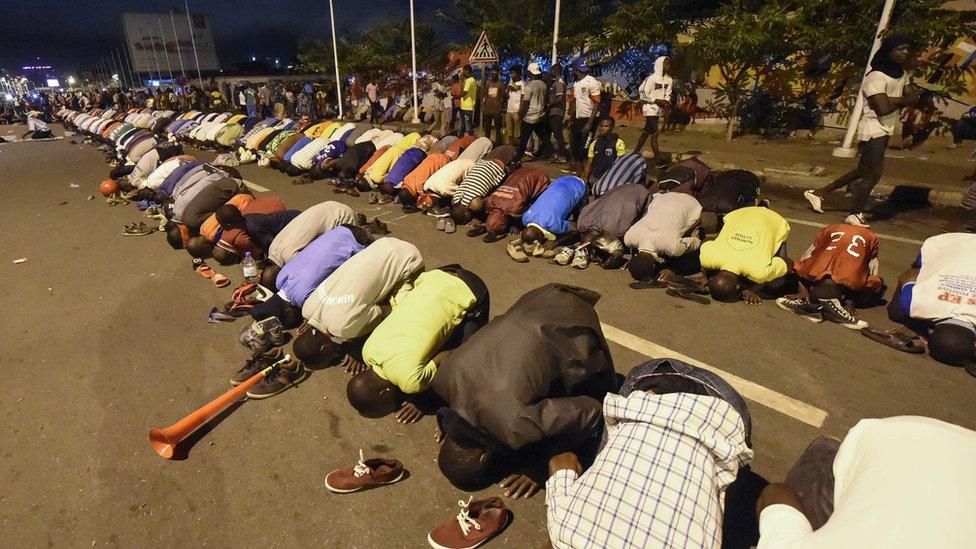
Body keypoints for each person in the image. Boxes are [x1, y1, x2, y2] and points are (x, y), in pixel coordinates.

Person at [547, 358, 753, 549]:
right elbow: (564, 460)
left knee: (723, 482)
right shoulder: (563, 529)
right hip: (651, 384)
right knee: (613, 437)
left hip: (725, 413)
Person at [433, 284, 616, 497]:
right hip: (535, 300)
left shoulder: (515, 425)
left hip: (570, 322)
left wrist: (541, 468)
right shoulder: (444, 378)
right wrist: (448, 421)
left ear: (485, 457)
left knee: (604, 395)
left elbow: (592, 410)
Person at [755, 416, 976, 549]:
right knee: (800, 516)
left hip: (915, 442)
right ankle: (831, 458)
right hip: (894, 442)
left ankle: (829, 455)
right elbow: (775, 494)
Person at [803, 35, 919, 227]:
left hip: (887, 126)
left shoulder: (900, 73)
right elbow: (882, 109)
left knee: (863, 170)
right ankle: (855, 213)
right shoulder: (875, 77)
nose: (905, 53)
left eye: (906, 49)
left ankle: (818, 193)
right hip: (873, 128)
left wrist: (891, 99)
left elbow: (913, 97)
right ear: (888, 51)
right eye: (900, 49)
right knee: (874, 173)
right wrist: (899, 100)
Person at [346, 265, 489, 420]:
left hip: (471, 288)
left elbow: (448, 356)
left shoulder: (410, 383)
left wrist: (425, 402)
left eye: (381, 409)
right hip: (440, 274)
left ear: (384, 392)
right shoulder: (367, 350)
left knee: (465, 355)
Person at [292, 237, 425, 373]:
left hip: (408, 260)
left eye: (330, 360)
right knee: (363, 302)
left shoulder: (342, 328)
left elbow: (385, 311)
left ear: (324, 348)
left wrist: (357, 348)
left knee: (399, 315)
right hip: (382, 244)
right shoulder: (308, 308)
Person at [866, 233, 976, 376]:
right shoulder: (912, 304)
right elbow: (908, 277)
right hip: (947, 244)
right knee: (897, 311)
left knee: (898, 311)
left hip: (947, 242)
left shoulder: (916, 304)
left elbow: (909, 276)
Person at [246, 224, 375, 332]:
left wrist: (312, 319)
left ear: (289, 310)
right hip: (341, 231)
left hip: (357, 243)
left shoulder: (305, 299)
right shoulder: (280, 279)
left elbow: (332, 304)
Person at [776, 224, 883, 329]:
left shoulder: (832, 227)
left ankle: (811, 303)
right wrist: (851, 302)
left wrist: (802, 292)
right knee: (874, 281)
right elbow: (871, 265)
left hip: (821, 272)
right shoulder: (871, 236)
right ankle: (826, 303)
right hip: (848, 279)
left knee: (802, 266)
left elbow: (808, 256)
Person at [700, 206, 794, 305]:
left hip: (774, 221)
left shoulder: (759, 272)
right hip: (740, 214)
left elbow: (790, 263)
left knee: (777, 282)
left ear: (738, 287)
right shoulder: (707, 258)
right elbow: (706, 241)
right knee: (767, 274)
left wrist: (754, 289)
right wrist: (705, 276)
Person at [554, 182, 652, 270]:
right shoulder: (584, 220)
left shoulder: (617, 230)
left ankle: (579, 249)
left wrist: (618, 254)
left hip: (635, 195)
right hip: (625, 190)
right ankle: (580, 248)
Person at [624, 191, 704, 283]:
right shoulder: (628, 238)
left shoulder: (673, 247)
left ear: (654, 266)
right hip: (663, 199)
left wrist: (674, 270)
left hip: (691, 204)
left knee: (688, 246)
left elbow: (698, 242)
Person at [508, 175, 587, 262]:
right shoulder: (526, 218)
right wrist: (517, 226)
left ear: (540, 235)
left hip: (579, 185)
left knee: (580, 222)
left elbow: (575, 228)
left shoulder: (554, 225)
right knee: (562, 212)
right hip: (560, 180)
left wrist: (556, 242)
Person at [475, 166, 550, 243]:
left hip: (539, 177)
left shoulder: (514, 209)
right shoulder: (491, 202)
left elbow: (527, 213)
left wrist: (517, 225)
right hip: (519, 172)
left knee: (535, 203)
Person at [633, 56, 673, 167]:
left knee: (647, 132)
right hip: (650, 108)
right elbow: (643, 95)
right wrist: (656, 100)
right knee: (654, 133)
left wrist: (666, 105)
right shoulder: (651, 78)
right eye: (666, 64)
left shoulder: (669, 79)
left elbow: (668, 94)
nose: (668, 66)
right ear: (660, 64)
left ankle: (635, 153)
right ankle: (658, 160)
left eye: (669, 63)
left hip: (659, 109)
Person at [569, 60, 602, 175]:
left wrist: (589, 123)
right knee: (575, 147)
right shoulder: (576, 84)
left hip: (590, 119)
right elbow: (575, 102)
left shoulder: (591, 82)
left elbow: (597, 103)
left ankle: (587, 173)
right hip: (578, 118)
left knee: (585, 148)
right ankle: (579, 171)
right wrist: (571, 119)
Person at [514, 63, 549, 162]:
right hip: (540, 115)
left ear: (530, 72)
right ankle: (550, 152)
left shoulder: (529, 86)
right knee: (543, 137)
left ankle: (518, 158)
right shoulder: (543, 85)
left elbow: (525, 103)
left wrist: (520, 115)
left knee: (523, 139)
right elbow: (546, 100)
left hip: (529, 117)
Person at [581, 117, 626, 186]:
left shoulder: (618, 143)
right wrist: (585, 178)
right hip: (596, 176)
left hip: (611, 177)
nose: (603, 128)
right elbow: (589, 162)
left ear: (612, 127)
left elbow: (621, 163)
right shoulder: (594, 144)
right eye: (601, 126)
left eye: (606, 126)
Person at [547, 63, 569, 163]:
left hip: (557, 112)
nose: (551, 72)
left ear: (556, 71)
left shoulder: (559, 83)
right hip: (554, 112)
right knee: (555, 133)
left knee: (557, 133)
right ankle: (555, 152)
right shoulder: (556, 82)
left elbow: (559, 98)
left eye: (552, 70)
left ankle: (562, 154)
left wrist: (549, 104)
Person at [482, 67, 504, 144]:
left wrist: (500, 107)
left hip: (496, 109)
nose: (493, 75)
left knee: (497, 128)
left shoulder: (500, 84)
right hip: (488, 109)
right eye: (492, 73)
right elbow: (485, 94)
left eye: (495, 73)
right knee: (487, 128)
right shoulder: (488, 83)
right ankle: (486, 143)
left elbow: (502, 96)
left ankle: (498, 143)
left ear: (498, 74)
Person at [504, 65, 523, 146]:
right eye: (511, 73)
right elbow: (507, 95)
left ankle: (517, 149)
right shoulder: (510, 83)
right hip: (509, 110)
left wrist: (520, 109)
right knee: (509, 132)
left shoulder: (522, 83)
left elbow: (523, 97)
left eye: (514, 73)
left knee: (517, 133)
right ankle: (510, 149)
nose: (512, 75)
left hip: (516, 111)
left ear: (518, 74)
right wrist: (507, 89)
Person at [459, 65, 478, 137]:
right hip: (463, 106)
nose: (462, 73)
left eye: (463, 71)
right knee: (462, 126)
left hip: (468, 107)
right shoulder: (467, 80)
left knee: (468, 126)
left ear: (467, 71)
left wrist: (460, 80)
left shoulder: (470, 81)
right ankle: (460, 141)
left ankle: (470, 141)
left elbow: (462, 94)